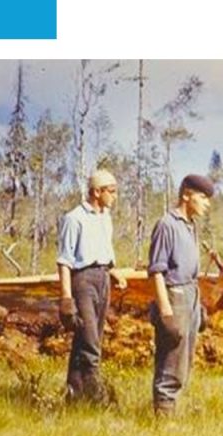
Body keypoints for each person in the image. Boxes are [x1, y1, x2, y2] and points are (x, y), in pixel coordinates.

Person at [56, 169, 127, 405]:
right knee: (90, 340)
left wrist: (113, 272)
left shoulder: (105, 217)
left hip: (103, 279)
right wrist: (66, 298)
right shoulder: (74, 218)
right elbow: (65, 261)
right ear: (97, 192)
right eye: (111, 191)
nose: (114, 196)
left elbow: (103, 252)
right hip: (83, 280)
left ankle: (74, 396)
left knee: (86, 338)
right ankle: (97, 396)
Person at [147, 174, 214, 415]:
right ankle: (163, 416)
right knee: (171, 358)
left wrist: (199, 306)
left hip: (190, 294)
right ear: (187, 195)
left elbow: (191, 271)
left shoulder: (190, 225)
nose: (207, 204)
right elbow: (156, 271)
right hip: (174, 295)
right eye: (203, 198)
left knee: (185, 359)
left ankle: (171, 408)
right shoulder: (167, 224)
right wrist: (165, 311)